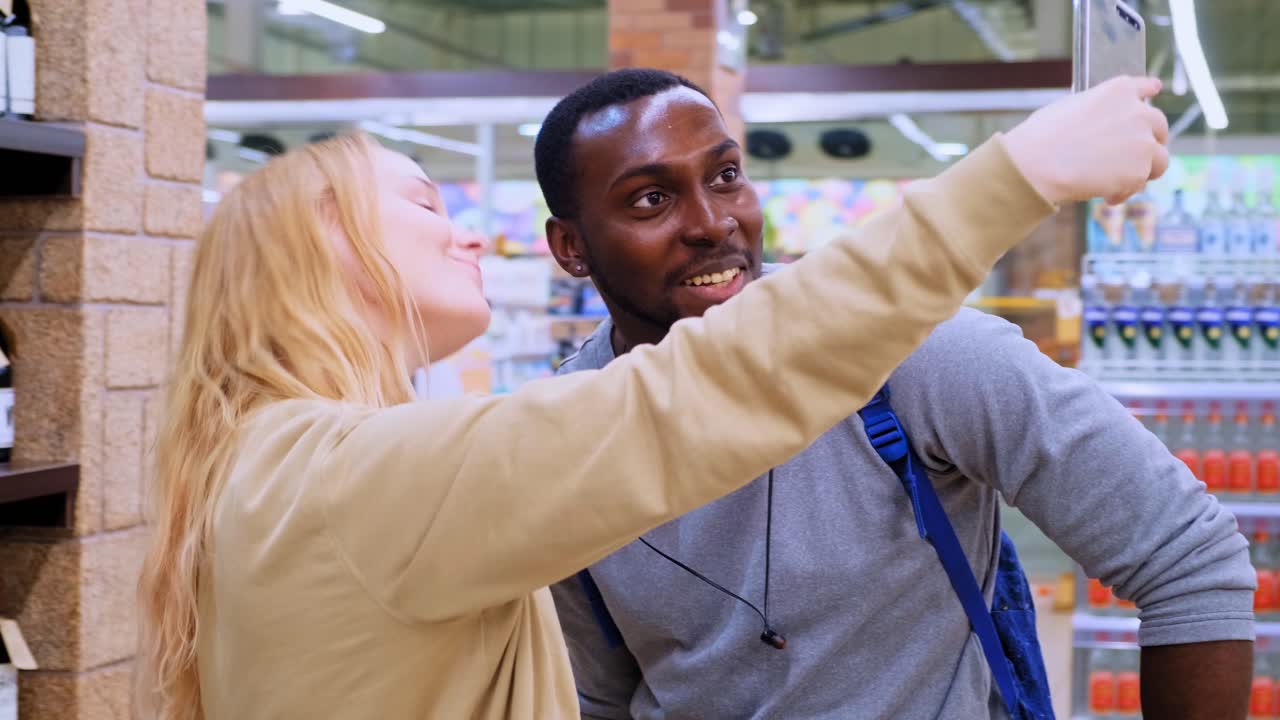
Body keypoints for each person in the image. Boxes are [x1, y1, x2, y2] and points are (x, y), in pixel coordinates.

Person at [135, 73, 1164, 719]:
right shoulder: (357, 481)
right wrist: (1013, 174)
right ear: (319, 243)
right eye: (422, 204)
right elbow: (695, 395)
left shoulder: (289, 464)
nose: (463, 233)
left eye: (724, 177)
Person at [540, 68, 1252, 720]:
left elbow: (1188, 555)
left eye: (725, 176)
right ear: (571, 247)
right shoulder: (559, 440)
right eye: (651, 198)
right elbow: (602, 692)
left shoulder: (913, 353)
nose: (711, 223)